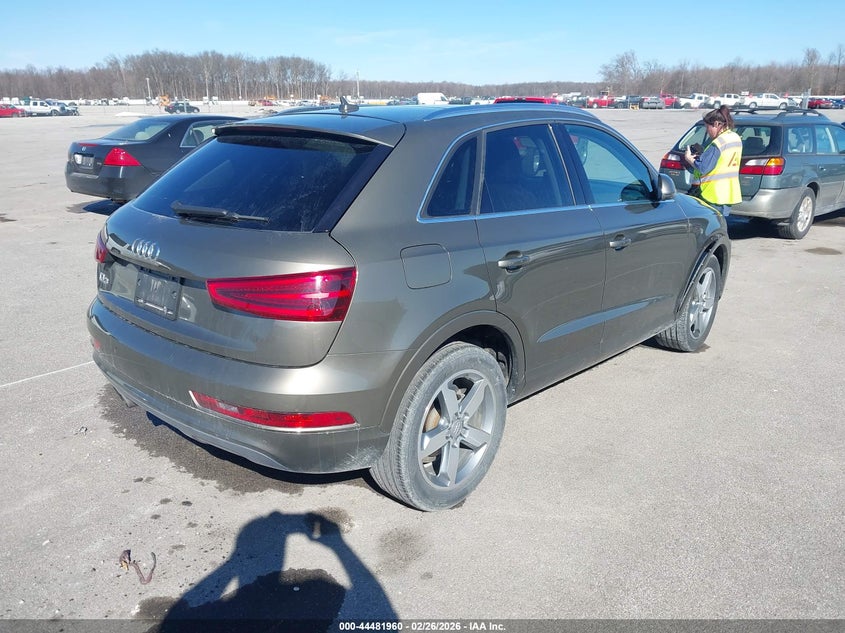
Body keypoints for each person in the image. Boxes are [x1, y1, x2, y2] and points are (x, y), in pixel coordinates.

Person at [684, 105, 742, 216]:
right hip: (729, 193)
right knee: (721, 226)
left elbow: (703, 168)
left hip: (714, 194)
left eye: (707, 127)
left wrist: (690, 159)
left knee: (711, 228)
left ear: (716, 124)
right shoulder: (735, 137)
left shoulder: (718, 143)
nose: (707, 131)